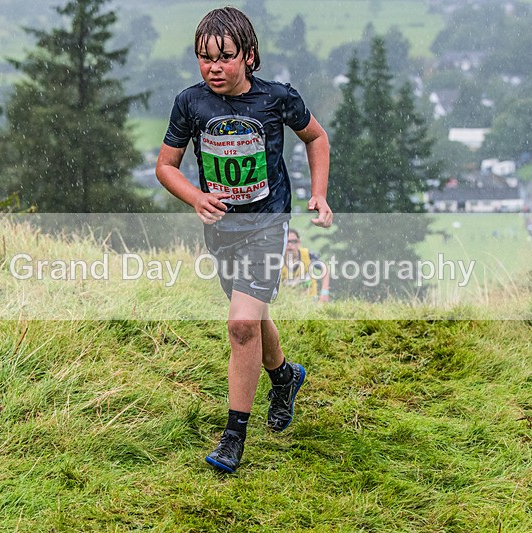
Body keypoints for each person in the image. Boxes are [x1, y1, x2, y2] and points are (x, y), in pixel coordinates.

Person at [155, 7, 332, 473]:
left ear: (248, 56)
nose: (213, 68)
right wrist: (196, 197)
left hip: (268, 225)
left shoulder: (276, 98)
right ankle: (285, 376)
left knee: (239, 324)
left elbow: (317, 138)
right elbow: (165, 167)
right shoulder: (190, 103)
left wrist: (318, 194)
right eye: (204, 58)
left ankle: (233, 436)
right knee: (250, 317)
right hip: (222, 230)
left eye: (225, 57)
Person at [282, 229, 331, 302]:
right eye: (287, 241)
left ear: (299, 243)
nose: (290, 245)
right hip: (288, 303)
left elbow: (325, 268)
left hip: (311, 300)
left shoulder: (308, 255)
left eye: (294, 241)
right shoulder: (277, 260)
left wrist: (324, 291)